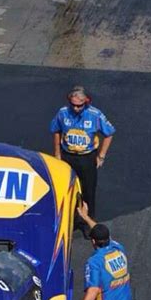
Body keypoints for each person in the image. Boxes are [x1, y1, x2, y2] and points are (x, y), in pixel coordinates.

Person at [50, 85, 115, 221]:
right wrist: (57, 154)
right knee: (66, 188)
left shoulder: (95, 115)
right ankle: (69, 219)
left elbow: (109, 133)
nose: (75, 108)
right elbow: (56, 130)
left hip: (87, 158)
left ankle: (88, 222)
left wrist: (101, 156)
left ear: (86, 102)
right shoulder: (62, 113)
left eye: (79, 106)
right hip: (68, 156)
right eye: (73, 105)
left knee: (88, 191)